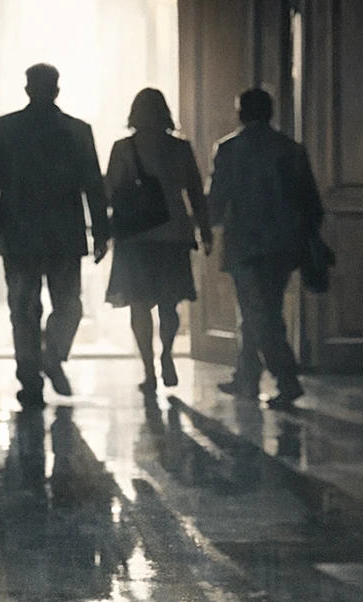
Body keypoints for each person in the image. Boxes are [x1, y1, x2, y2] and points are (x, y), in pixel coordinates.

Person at [0, 64, 109, 406]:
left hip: (18, 233)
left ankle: (30, 378)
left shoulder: (6, 128)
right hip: (64, 233)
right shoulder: (78, 130)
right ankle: (53, 355)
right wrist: (101, 232)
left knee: (22, 307)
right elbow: (93, 184)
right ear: (57, 90)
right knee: (68, 305)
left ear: (27, 89)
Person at [207, 88, 324, 408]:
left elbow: (217, 201)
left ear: (241, 113)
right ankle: (246, 377)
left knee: (259, 315)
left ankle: (286, 380)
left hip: (245, 245)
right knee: (260, 311)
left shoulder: (228, 149)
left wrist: (205, 229)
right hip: (284, 246)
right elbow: (312, 204)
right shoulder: (291, 149)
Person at [104, 88, 213, 393]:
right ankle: (166, 354)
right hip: (173, 236)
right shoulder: (180, 149)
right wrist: (204, 231)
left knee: (139, 306)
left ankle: (149, 371)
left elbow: (111, 190)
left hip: (135, 238)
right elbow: (195, 193)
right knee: (169, 304)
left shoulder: (123, 149)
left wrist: (105, 230)